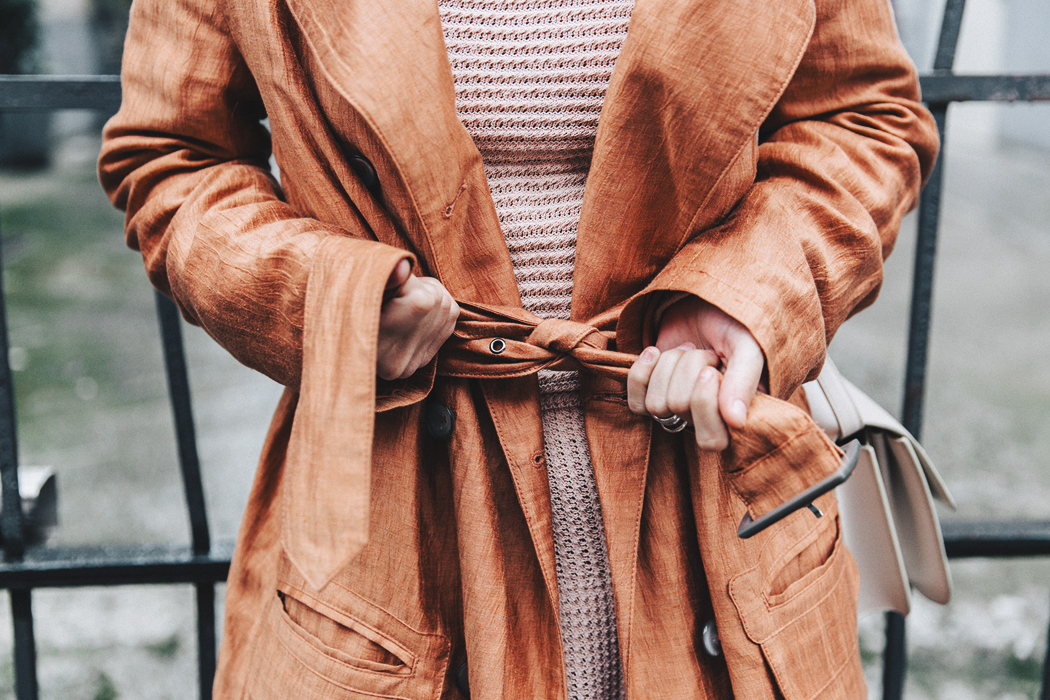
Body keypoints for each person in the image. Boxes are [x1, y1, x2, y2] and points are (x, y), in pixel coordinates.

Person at [98, 0, 938, 696]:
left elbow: (863, 117)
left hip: (705, 484)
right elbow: (174, 157)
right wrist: (329, 296)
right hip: (400, 525)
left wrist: (751, 294)